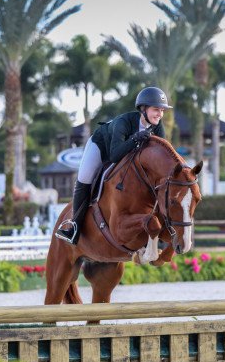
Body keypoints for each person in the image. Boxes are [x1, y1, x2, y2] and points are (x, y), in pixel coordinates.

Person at [55, 86, 172, 245]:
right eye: (156, 109)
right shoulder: (123, 122)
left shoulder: (157, 126)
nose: (160, 114)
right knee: (85, 178)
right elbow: (114, 155)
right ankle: (74, 226)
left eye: (162, 110)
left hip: (127, 152)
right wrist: (135, 138)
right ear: (143, 109)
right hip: (101, 145)